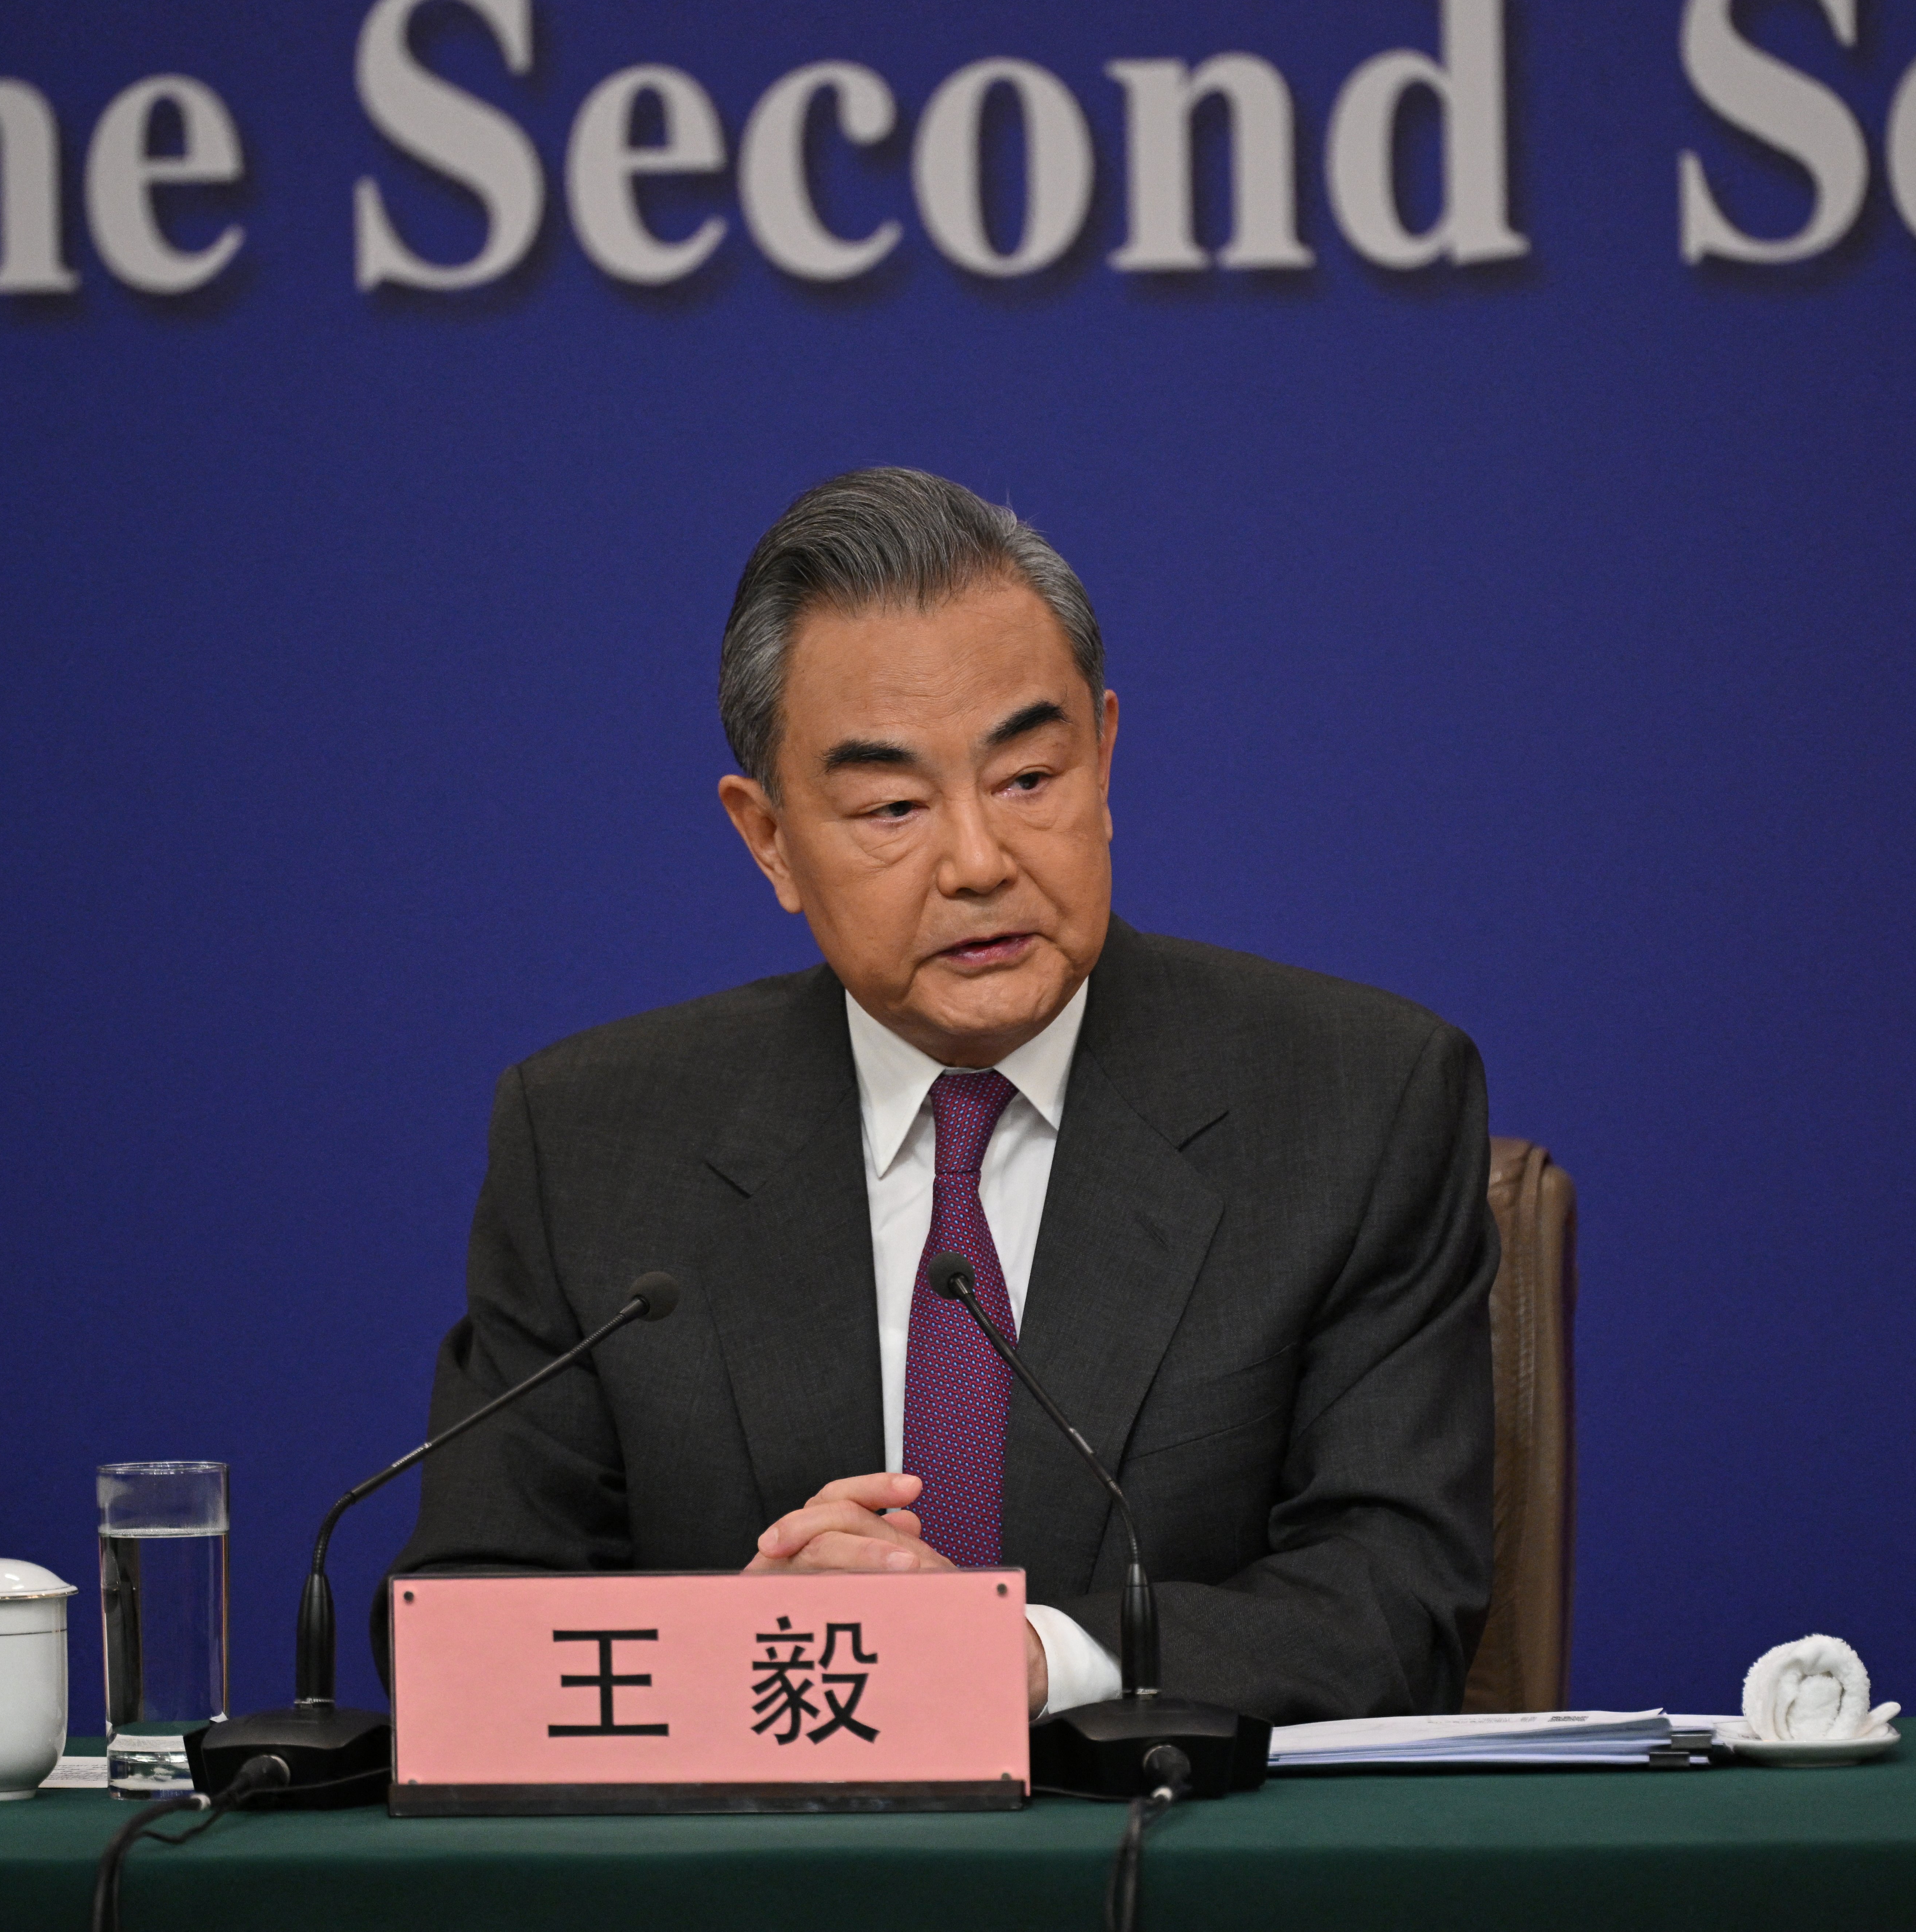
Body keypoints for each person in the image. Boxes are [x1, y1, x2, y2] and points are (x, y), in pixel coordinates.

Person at [383, 468, 1496, 1722]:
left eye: (1030, 780)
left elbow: (1398, 1601)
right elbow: (463, 1621)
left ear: (1107, 754)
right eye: (893, 808)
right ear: (769, 838)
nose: (979, 862)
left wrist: (1016, 1657)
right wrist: (741, 1648)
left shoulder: (1355, 1101)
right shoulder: (592, 1143)